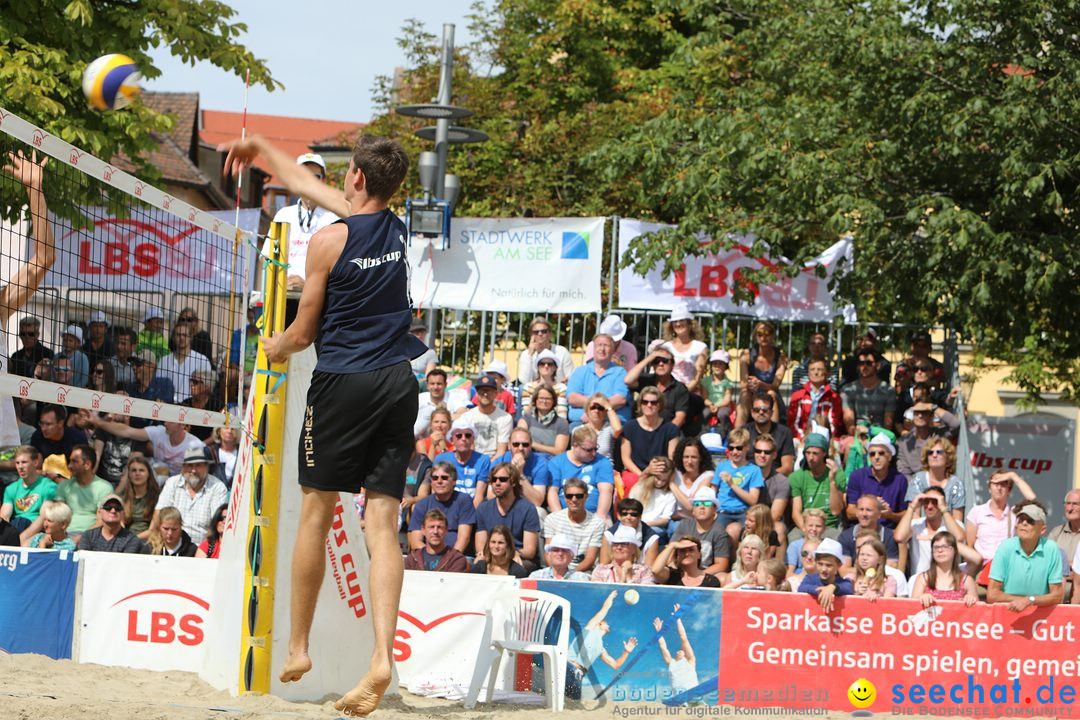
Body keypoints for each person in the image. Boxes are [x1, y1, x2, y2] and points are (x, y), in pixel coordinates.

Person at [224, 132, 426, 718]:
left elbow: (304, 333)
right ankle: (380, 658)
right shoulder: (397, 228)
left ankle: (298, 646)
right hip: (399, 379)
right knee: (382, 525)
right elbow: (308, 183)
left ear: (357, 179)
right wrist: (263, 145)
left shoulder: (327, 242)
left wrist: (275, 345)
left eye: (346, 176)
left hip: (344, 381)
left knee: (318, 507)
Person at [269, 152, 341, 291]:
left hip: (317, 299)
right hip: (281, 296)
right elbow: (268, 258)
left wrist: (308, 285)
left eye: (315, 177)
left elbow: (337, 268)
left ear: (323, 181)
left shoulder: (334, 218)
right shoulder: (283, 215)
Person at [987, 501, 1064, 611]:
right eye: (1021, 519)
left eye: (1030, 521)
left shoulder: (1051, 549)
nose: (1024, 523)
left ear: (1042, 529)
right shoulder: (1005, 547)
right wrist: (1024, 601)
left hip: (1041, 619)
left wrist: (1029, 601)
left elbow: (1057, 596)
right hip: (1007, 614)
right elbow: (992, 595)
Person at [564, 590, 638, 701]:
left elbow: (615, 665)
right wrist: (610, 597)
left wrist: (626, 652)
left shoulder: (601, 648)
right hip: (567, 667)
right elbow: (605, 609)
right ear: (600, 624)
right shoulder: (590, 628)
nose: (607, 623)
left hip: (578, 676)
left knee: (573, 706)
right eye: (605, 622)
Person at [966, 470, 1037, 577]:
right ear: (990, 488)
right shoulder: (977, 512)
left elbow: (1032, 499)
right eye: (995, 484)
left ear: (1009, 490)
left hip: (1004, 571)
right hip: (981, 570)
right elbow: (969, 547)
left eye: (1004, 484)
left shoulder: (1014, 513)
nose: (999, 488)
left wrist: (1013, 476)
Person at [153, 446, 229, 543]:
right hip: (172, 544)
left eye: (198, 465)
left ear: (207, 467)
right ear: (183, 468)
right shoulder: (172, 483)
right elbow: (159, 513)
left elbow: (216, 523)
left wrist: (202, 550)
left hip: (202, 546)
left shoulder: (217, 487)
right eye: (189, 465)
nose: (193, 470)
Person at [473, 463, 540, 572]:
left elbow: (530, 550)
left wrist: (512, 554)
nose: (497, 483)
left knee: (519, 568)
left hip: (517, 556)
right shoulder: (483, 508)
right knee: (477, 565)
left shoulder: (528, 509)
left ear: (513, 482)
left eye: (502, 479)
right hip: (492, 555)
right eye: (494, 480)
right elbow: (480, 547)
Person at [34, 445, 112, 538]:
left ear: (87, 465)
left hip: (91, 536)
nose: (69, 466)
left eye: (74, 462)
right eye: (70, 461)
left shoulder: (104, 487)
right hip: (63, 534)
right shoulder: (64, 485)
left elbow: (101, 522)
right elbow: (58, 516)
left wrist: (80, 538)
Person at [893, 487, 971, 576]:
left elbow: (959, 538)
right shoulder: (915, 525)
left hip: (948, 581)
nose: (929, 506)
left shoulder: (953, 524)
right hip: (920, 581)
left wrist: (944, 509)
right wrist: (912, 507)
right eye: (926, 502)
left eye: (935, 502)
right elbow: (899, 537)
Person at [89, 416, 200, 477]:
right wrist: (97, 422)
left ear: (182, 424)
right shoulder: (159, 432)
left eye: (170, 420)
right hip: (158, 476)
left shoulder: (195, 444)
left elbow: (197, 471)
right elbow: (127, 431)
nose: (165, 423)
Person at [545, 426, 615, 520]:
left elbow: (606, 491)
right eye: (589, 450)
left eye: (596, 448)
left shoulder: (602, 462)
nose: (594, 453)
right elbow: (552, 491)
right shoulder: (557, 462)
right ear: (575, 445)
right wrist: (559, 517)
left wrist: (600, 516)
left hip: (594, 515)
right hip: (565, 514)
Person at [406, 461, 476, 553]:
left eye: (444, 478)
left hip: (457, 558)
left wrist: (449, 560)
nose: (439, 481)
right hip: (428, 560)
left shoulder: (464, 500)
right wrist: (431, 558)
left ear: (454, 481)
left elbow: (464, 538)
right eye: (435, 478)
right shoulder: (422, 505)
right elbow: (415, 541)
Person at [619, 386, 680, 490]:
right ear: (640, 404)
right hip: (635, 472)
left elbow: (672, 458)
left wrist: (658, 471)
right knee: (630, 481)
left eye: (653, 402)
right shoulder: (630, 426)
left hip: (661, 471)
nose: (649, 405)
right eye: (645, 402)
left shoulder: (670, 429)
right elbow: (626, 459)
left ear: (660, 405)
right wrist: (643, 474)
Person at [542, 478, 606, 572]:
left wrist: (571, 575)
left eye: (579, 496)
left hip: (583, 572)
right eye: (569, 496)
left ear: (586, 497)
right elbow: (548, 554)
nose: (574, 499)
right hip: (554, 571)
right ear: (564, 497)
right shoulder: (552, 519)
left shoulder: (597, 523)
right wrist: (558, 574)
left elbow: (590, 558)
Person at [845, 433, 908, 527]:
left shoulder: (900, 480)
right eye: (872, 454)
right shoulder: (857, 476)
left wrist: (890, 515)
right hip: (861, 529)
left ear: (890, 456)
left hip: (888, 532)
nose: (876, 457)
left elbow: (906, 515)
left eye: (881, 453)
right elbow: (849, 512)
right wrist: (872, 508)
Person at [565, 333, 630, 424]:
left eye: (606, 345)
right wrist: (598, 406)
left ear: (613, 350)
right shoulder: (579, 372)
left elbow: (620, 399)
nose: (602, 349)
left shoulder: (620, 372)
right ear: (594, 349)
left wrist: (595, 412)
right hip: (581, 423)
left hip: (610, 423)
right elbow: (572, 398)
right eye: (599, 345)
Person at [711, 428, 764, 537]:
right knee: (716, 535)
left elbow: (753, 500)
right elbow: (712, 492)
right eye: (732, 448)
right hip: (722, 511)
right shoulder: (722, 466)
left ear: (747, 448)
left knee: (739, 534)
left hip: (743, 512)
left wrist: (732, 484)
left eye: (739, 448)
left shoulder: (754, 470)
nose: (735, 452)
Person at [840, 349, 896, 451]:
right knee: (850, 447)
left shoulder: (888, 391)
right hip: (857, 433)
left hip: (880, 434)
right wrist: (861, 436)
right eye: (861, 363)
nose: (864, 366)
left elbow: (888, 425)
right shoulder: (848, 390)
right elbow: (849, 423)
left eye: (868, 363)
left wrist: (871, 433)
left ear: (877, 365)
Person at [624, 345, 691, 429]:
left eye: (665, 361)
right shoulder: (645, 380)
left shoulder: (680, 388)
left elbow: (679, 419)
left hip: (667, 431)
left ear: (672, 365)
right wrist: (650, 358)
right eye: (656, 361)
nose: (661, 364)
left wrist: (664, 434)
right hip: (641, 430)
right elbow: (627, 380)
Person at [736, 321, 787, 427]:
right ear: (755, 336)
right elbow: (743, 385)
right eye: (760, 334)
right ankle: (737, 435)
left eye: (767, 333)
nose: (764, 337)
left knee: (771, 394)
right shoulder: (746, 354)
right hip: (751, 394)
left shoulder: (781, 356)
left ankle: (774, 435)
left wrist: (760, 384)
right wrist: (752, 385)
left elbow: (775, 386)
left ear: (773, 336)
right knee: (744, 395)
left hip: (771, 394)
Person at [670, 487, 732, 574]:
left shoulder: (719, 532)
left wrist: (697, 576)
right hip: (683, 571)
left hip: (706, 574)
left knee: (721, 577)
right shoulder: (684, 525)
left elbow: (721, 565)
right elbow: (671, 551)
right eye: (697, 503)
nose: (702, 507)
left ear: (714, 509)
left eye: (707, 503)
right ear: (693, 510)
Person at [910, 532, 979, 607]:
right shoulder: (923, 578)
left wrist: (971, 599)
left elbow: (978, 612)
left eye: (944, 546)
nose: (940, 550)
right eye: (936, 547)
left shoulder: (966, 580)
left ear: (955, 550)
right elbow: (912, 607)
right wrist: (920, 598)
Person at [904, 437, 965, 521]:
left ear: (948, 458)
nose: (934, 455)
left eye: (939, 452)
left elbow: (958, 520)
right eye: (930, 452)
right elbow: (914, 516)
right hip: (921, 531)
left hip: (947, 532)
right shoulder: (918, 479)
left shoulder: (956, 484)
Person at [433, 418, 491, 506]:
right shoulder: (440, 459)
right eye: (459, 436)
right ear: (452, 440)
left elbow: (479, 496)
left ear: (473, 439)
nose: (463, 439)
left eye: (467, 435)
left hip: (471, 510)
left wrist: (469, 517)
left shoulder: (483, 460)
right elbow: (435, 493)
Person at [787, 358, 844, 443]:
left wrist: (821, 439)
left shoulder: (833, 397)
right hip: (801, 438)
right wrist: (802, 437)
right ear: (808, 373)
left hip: (825, 439)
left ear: (826, 373)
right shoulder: (798, 396)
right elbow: (792, 423)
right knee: (793, 442)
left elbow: (834, 424)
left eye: (820, 369)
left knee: (835, 446)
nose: (816, 372)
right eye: (812, 369)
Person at [1, 445, 55, 533]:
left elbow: (43, 518)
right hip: (16, 528)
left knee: (21, 522)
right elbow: (4, 517)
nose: (20, 467)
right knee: (18, 523)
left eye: (24, 462)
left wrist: (22, 538)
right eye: (17, 463)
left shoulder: (48, 486)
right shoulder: (11, 489)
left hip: (37, 531)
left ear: (35, 463)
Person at [838, 495, 900, 568]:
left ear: (879, 514)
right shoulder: (845, 536)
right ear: (857, 513)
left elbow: (891, 569)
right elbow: (844, 571)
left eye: (868, 510)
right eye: (861, 509)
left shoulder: (889, 537)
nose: (864, 514)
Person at [494, 428, 551, 508]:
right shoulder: (500, 461)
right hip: (504, 504)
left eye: (525, 445)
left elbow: (537, 501)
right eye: (516, 444)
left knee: (538, 512)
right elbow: (491, 495)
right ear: (509, 445)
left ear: (531, 446)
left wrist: (519, 474)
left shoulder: (540, 463)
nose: (520, 448)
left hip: (529, 506)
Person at [742, 392, 795, 477]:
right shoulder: (744, 432)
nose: (761, 412)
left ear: (771, 412)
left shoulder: (784, 433)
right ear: (752, 412)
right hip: (746, 478)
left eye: (765, 410)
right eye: (757, 410)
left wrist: (762, 477)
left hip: (774, 479)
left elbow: (787, 468)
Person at [459, 376, 512, 460]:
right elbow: (468, 447)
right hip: (472, 460)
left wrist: (489, 466)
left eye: (489, 391)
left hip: (495, 462)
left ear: (496, 393)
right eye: (482, 391)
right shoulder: (466, 417)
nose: (485, 394)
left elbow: (501, 450)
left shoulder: (505, 418)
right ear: (476, 394)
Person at [653, 606, 699, 702]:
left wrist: (678, 619)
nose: (678, 651)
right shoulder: (671, 663)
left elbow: (683, 637)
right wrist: (659, 632)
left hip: (694, 697)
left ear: (685, 654)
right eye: (677, 651)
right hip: (679, 701)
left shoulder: (690, 661)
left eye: (681, 650)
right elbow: (663, 647)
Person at [157, 322, 213, 400]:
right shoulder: (164, 360)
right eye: (178, 335)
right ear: (173, 337)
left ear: (191, 337)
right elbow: (159, 387)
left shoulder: (202, 360)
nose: (181, 338)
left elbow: (207, 389)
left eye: (185, 335)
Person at [78, 493, 148, 553]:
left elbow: (126, 564)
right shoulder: (88, 536)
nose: (113, 511)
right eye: (108, 507)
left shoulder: (131, 540)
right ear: (99, 512)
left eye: (118, 508)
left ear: (123, 514)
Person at [602, 497, 661, 567]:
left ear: (640, 517)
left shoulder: (652, 538)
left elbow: (649, 567)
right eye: (624, 514)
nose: (628, 517)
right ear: (618, 516)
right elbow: (604, 565)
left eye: (634, 514)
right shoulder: (609, 535)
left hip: (642, 573)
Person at [628, 459, 678, 542]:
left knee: (651, 532)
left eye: (664, 480)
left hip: (654, 527)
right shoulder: (640, 487)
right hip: (635, 523)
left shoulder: (670, 495)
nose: (660, 483)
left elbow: (664, 520)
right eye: (657, 478)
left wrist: (646, 524)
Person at [404, 509, 469, 572]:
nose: (435, 532)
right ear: (423, 530)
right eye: (431, 527)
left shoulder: (456, 559)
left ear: (446, 530)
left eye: (439, 527)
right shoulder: (412, 559)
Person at [797, 537, 853, 611]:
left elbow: (848, 588)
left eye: (829, 565)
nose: (823, 569)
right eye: (820, 564)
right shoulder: (810, 579)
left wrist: (832, 587)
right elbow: (802, 588)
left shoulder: (843, 582)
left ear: (838, 565)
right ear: (816, 562)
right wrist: (822, 590)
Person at [662, 304, 708, 394]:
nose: (678, 324)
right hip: (666, 392)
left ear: (689, 324)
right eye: (675, 321)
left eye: (681, 320)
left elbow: (697, 378)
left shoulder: (700, 347)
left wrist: (681, 393)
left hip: (689, 393)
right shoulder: (665, 346)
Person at [751, 433, 789, 539]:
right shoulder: (744, 476)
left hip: (768, 523)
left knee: (779, 529)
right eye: (758, 451)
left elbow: (775, 516)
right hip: (747, 521)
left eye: (767, 452)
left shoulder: (782, 481)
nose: (762, 455)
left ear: (774, 455)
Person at [124, 350, 176, 424]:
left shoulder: (165, 384)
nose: (134, 367)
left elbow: (160, 411)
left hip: (157, 433)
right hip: (132, 433)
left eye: (138, 364)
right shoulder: (129, 387)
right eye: (132, 364)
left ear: (152, 366)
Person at [413, 368, 468, 439]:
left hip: (448, 440)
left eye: (439, 384)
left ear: (445, 385)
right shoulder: (420, 398)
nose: (435, 387)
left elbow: (464, 414)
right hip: (422, 440)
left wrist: (439, 418)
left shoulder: (454, 397)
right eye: (432, 384)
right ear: (427, 385)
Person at [516, 385, 569, 457]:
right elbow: (520, 441)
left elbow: (559, 451)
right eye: (541, 398)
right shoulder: (526, 419)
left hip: (551, 461)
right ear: (535, 400)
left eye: (548, 398)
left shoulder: (562, 423)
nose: (544, 401)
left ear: (553, 401)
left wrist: (532, 444)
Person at [518, 316, 574, 384]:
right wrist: (529, 355)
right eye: (536, 332)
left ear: (550, 334)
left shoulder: (562, 352)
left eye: (544, 331)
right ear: (531, 335)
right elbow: (524, 381)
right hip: (534, 391)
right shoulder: (526, 355)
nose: (540, 334)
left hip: (558, 390)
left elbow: (571, 377)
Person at [650, 536, 722, 587]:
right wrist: (672, 545)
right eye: (682, 550)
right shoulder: (672, 575)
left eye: (691, 550)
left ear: (699, 555)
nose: (687, 554)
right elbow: (655, 570)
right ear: (677, 555)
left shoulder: (711, 581)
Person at [671, 436, 714, 519]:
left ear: (700, 458)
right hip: (672, 520)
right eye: (686, 457)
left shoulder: (708, 475)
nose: (689, 461)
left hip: (693, 522)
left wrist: (672, 484)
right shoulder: (675, 473)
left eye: (694, 457)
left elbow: (691, 506)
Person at [116, 456, 159, 540]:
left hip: (148, 540)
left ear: (148, 473)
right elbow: (120, 525)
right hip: (125, 538)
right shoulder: (122, 497)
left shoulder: (157, 498)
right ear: (129, 474)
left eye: (141, 470)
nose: (137, 473)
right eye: (133, 470)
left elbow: (153, 530)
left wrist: (133, 540)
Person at [520, 350, 568, 418]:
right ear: (538, 367)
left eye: (550, 364)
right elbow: (525, 414)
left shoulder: (562, 388)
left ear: (555, 368)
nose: (546, 366)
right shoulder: (528, 387)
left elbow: (562, 415)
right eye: (542, 364)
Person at [700, 349, 734, 435]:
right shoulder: (706, 381)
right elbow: (704, 396)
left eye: (720, 364)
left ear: (725, 366)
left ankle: (728, 432)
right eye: (715, 364)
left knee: (722, 414)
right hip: (709, 405)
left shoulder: (728, 382)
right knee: (704, 413)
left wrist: (717, 406)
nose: (717, 366)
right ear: (711, 366)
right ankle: (702, 432)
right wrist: (710, 404)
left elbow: (727, 399)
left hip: (723, 405)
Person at [581, 392, 622, 461]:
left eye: (600, 408)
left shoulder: (609, 428)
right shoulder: (578, 430)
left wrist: (608, 406)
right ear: (587, 411)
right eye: (593, 407)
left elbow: (618, 429)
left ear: (606, 412)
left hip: (605, 468)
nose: (596, 410)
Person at [179, 369, 218, 442]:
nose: (192, 385)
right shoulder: (185, 403)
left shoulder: (216, 406)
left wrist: (201, 445)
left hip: (207, 446)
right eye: (191, 381)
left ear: (207, 386)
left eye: (195, 382)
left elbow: (217, 433)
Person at [786, 508, 827, 575]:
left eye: (818, 526)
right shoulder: (795, 546)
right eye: (810, 525)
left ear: (824, 528)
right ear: (804, 526)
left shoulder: (827, 546)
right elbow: (789, 572)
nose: (814, 529)